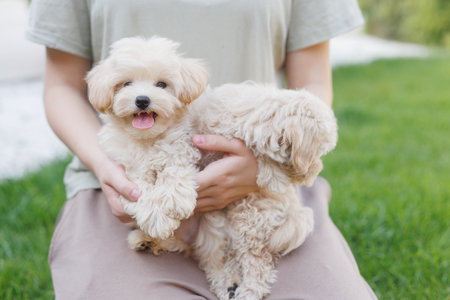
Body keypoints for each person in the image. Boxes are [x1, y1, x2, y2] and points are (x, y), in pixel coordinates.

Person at [27, 1, 378, 299]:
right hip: (119, 185)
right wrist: (111, 167)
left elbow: (312, 84)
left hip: (263, 185)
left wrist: (265, 166)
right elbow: (62, 86)